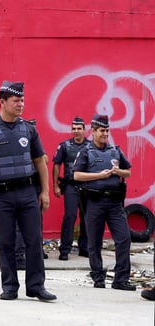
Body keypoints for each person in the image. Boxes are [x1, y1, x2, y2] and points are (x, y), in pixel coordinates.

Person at [0, 80, 56, 301]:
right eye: (16, 100)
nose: (21, 104)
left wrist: (45, 192)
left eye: (22, 100)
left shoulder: (28, 129)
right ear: (2, 102)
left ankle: (36, 286)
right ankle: (10, 286)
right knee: (6, 242)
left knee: (34, 240)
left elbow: (40, 161)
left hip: (28, 193)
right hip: (2, 196)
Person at [73, 113, 135, 290]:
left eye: (107, 131)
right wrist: (98, 176)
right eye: (102, 131)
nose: (105, 134)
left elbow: (128, 171)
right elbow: (76, 175)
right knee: (94, 242)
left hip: (115, 203)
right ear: (93, 131)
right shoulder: (86, 152)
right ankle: (98, 277)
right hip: (94, 201)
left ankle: (121, 279)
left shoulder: (115, 151)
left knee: (124, 239)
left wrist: (118, 172)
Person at [53, 116, 90, 261]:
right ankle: (64, 250)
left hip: (87, 187)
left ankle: (84, 248)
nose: (76, 131)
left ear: (84, 130)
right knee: (70, 217)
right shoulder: (64, 146)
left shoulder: (91, 146)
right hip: (70, 185)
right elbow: (56, 164)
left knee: (87, 217)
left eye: (79, 129)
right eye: (74, 129)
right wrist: (55, 185)